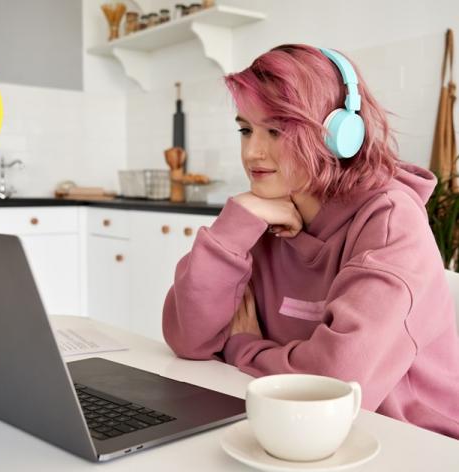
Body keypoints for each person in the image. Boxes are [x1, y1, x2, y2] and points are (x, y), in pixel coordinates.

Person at [162, 44, 459, 439]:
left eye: (277, 130)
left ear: (340, 135)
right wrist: (232, 227)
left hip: (410, 442)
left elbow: (334, 386)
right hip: (294, 430)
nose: (252, 152)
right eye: (245, 129)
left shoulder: (389, 223)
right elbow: (188, 338)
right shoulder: (262, 213)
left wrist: (244, 348)